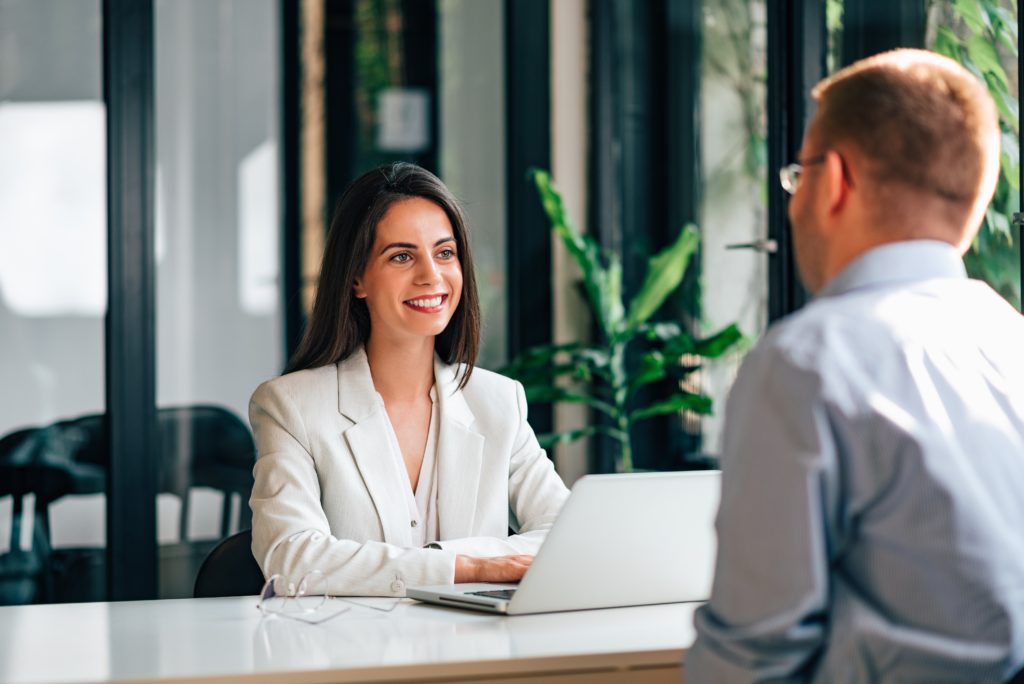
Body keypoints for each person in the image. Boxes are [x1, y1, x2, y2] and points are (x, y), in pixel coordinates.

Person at [687, 49, 1024, 683]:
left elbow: (752, 658)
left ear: (835, 179)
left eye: (798, 175)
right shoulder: (1011, 341)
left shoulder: (805, 364)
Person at [249, 162, 569, 597]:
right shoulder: (291, 407)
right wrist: (467, 567)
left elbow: (566, 535)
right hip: (351, 654)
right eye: (402, 256)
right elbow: (293, 560)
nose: (431, 276)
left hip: (476, 651)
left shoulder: (499, 402)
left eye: (445, 253)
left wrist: (440, 560)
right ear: (357, 278)